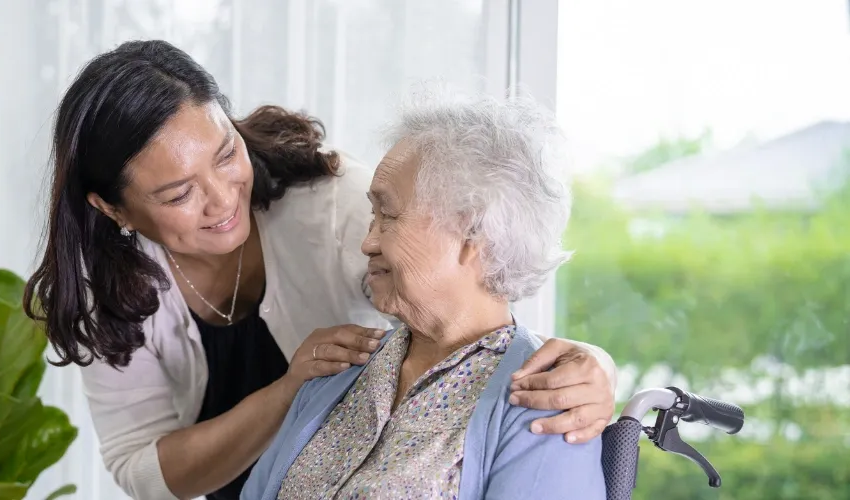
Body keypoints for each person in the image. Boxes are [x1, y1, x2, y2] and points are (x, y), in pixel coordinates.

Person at [24, 40, 615, 500]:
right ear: (112, 207)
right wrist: (287, 392)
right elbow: (143, 466)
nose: (223, 198)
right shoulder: (327, 382)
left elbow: (486, 287)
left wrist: (591, 367)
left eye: (227, 154)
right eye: (179, 194)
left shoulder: (338, 207)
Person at [242, 91, 606, 500]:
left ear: (473, 234)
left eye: (389, 216)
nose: (368, 243)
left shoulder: (548, 400)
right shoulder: (338, 369)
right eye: (372, 216)